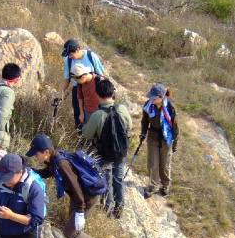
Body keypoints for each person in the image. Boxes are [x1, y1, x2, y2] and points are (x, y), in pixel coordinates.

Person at [26, 134, 106, 238]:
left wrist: (80, 210)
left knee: (70, 232)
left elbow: (75, 187)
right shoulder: (54, 160)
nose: (35, 157)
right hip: (78, 197)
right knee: (74, 228)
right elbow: (48, 172)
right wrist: (32, 171)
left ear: (46, 152)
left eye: (37, 154)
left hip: (86, 198)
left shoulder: (61, 163)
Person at [82, 78, 133, 218]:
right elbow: (129, 126)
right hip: (121, 152)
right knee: (118, 179)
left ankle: (108, 209)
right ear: (112, 93)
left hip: (104, 154)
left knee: (106, 180)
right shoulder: (122, 109)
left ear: (97, 95)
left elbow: (86, 134)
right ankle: (119, 208)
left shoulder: (97, 115)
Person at [140, 84, 178, 198]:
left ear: (161, 97)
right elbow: (145, 120)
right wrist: (143, 133)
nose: (151, 99)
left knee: (165, 164)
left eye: (154, 98)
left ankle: (165, 186)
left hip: (167, 138)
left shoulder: (170, 108)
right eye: (150, 97)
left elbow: (175, 127)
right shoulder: (148, 105)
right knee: (153, 163)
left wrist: (175, 144)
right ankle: (153, 186)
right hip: (153, 136)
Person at [60, 39, 105, 129]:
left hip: (92, 90)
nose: (69, 56)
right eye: (68, 55)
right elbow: (67, 79)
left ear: (77, 50)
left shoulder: (91, 56)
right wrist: (61, 93)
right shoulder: (68, 60)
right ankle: (80, 135)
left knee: (93, 115)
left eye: (71, 54)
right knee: (78, 117)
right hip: (77, 90)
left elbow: (101, 75)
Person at [71, 63, 99, 127]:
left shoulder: (99, 81)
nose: (76, 82)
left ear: (83, 77)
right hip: (87, 113)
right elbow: (80, 97)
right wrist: (81, 113)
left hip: (99, 114)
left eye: (77, 80)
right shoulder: (80, 84)